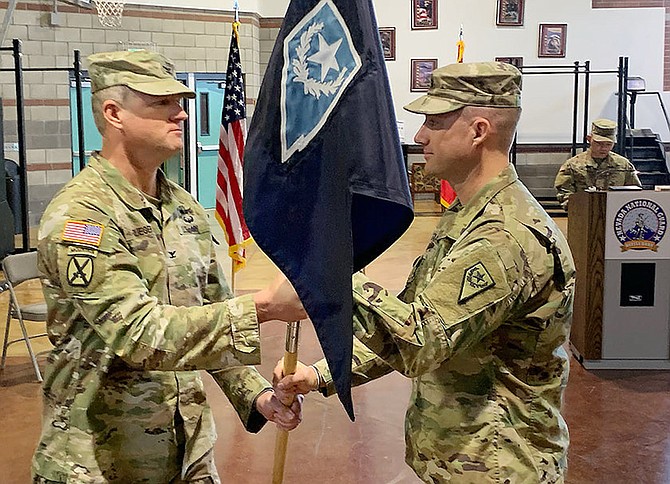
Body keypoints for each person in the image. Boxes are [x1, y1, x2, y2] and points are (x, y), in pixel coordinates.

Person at [274, 62, 575, 483]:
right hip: (462, 463)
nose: (420, 137)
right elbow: (406, 326)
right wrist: (320, 374)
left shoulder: (505, 236)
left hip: (498, 469)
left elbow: (421, 343)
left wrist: (329, 272)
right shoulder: (468, 216)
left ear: (478, 131)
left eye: (435, 122)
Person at [33, 50, 302, 483]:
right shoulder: (82, 217)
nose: (180, 113)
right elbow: (137, 334)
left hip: (186, 450)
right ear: (113, 112)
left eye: (179, 102)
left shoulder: (185, 210)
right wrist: (264, 307)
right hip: (101, 458)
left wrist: (258, 397)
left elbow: (209, 317)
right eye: (161, 103)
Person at [554, 118, 641, 210]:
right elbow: (564, 192)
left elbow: (634, 192)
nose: (603, 148)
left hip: (615, 216)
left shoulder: (623, 165)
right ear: (589, 139)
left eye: (608, 144)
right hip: (584, 216)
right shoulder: (573, 165)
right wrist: (578, 209)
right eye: (599, 143)